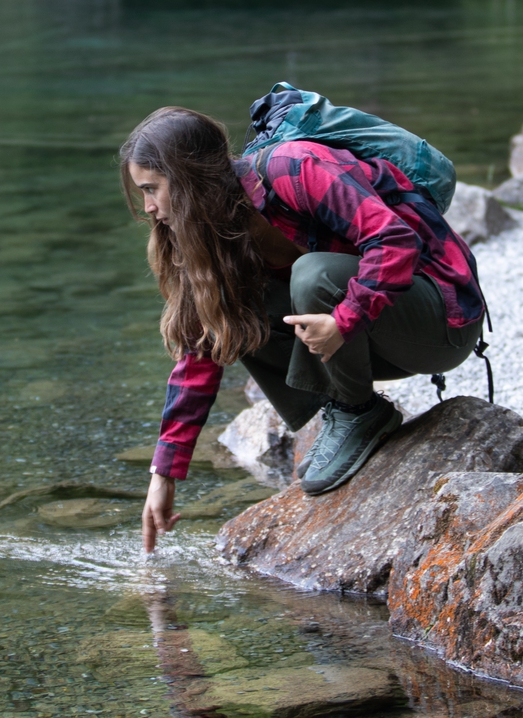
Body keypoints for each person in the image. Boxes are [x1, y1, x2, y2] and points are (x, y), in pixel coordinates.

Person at [120, 105, 486, 553]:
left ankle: (355, 411)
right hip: (371, 335)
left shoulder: (295, 167)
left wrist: (344, 318)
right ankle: (346, 408)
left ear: (189, 176)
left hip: (440, 322)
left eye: (152, 189)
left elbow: (393, 240)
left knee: (314, 275)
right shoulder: (209, 232)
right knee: (228, 311)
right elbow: (201, 349)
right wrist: (164, 474)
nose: (149, 207)